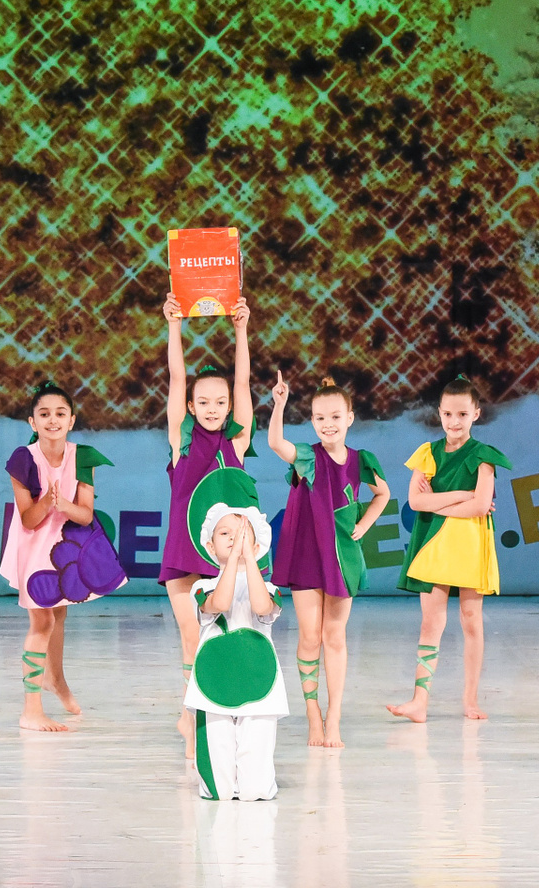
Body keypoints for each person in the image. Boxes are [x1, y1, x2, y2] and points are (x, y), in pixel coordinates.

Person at [265, 372, 389, 748]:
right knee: (310, 636)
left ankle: (334, 716)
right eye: (320, 418)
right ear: (312, 421)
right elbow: (275, 443)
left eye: (335, 416)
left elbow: (382, 494)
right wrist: (279, 405)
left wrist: (363, 524)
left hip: (342, 557)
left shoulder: (361, 460)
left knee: (334, 636)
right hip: (306, 554)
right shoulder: (308, 456)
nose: (328, 424)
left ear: (349, 417)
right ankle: (312, 713)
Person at [1, 381, 124, 731]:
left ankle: (56, 679)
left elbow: (85, 515)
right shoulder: (23, 459)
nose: (52, 420)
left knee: (59, 614)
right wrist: (46, 502)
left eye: (60, 413)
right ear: (32, 422)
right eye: (44, 414)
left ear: (71, 420)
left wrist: (65, 504)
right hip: (33, 544)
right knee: (42, 622)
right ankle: (31, 710)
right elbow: (28, 519)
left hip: (65, 544)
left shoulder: (83, 456)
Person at [161, 292, 254, 750]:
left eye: (220, 402)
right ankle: (192, 716)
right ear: (192, 406)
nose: (214, 408)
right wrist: (174, 325)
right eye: (204, 402)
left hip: (226, 556)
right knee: (191, 634)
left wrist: (241, 330)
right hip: (184, 550)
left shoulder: (237, 442)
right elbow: (177, 377)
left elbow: (244, 382)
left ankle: (214, 709)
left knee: (225, 634)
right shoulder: (180, 439)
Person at [386, 375, 505, 723]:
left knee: (471, 621)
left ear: (476, 414)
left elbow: (480, 506)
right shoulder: (428, 453)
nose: (455, 422)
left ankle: (470, 700)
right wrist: (461, 496)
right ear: (439, 413)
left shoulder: (483, 457)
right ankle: (419, 701)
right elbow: (415, 502)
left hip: (469, 542)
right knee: (430, 623)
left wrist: (437, 501)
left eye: (463, 414)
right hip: (433, 543)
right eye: (448, 414)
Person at [185, 499, 285, 801]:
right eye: (225, 533)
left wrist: (248, 559)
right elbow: (221, 603)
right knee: (220, 791)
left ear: (256, 545)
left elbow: (261, 607)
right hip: (213, 686)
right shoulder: (202, 587)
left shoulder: (270, 589)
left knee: (257, 791)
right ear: (210, 546)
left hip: (259, 685)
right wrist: (232, 563)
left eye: (242, 533)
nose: (234, 538)